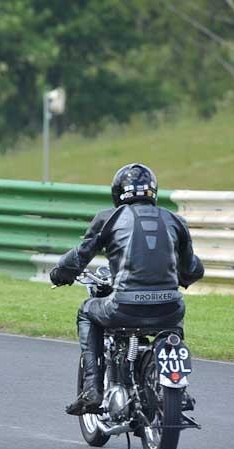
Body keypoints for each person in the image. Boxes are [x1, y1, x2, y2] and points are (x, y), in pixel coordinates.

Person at [50, 163, 204, 415]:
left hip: (123, 306)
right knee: (172, 320)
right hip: (170, 308)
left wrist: (60, 274)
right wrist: (182, 277)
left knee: (86, 311)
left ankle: (91, 388)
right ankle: (180, 390)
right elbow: (192, 269)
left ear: (118, 192)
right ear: (152, 191)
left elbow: (80, 256)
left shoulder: (108, 218)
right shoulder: (177, 220)